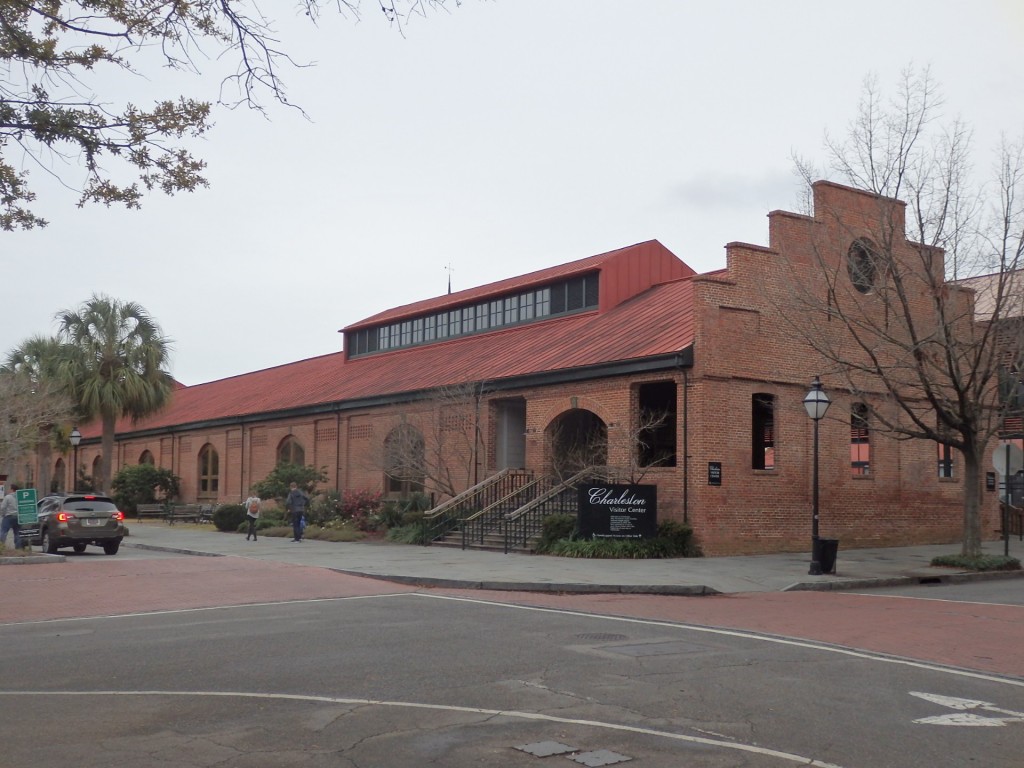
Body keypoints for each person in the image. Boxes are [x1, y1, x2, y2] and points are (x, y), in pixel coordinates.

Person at [1, 484, 21, 549]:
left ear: (12, 489)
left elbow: (3, 507)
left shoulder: (8, 497)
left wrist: (3, 514)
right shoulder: (20, 497)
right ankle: (18, 548)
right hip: (18, 517)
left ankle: (1, 546)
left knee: (4, 532)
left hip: (8, 516)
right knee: (17, 533)